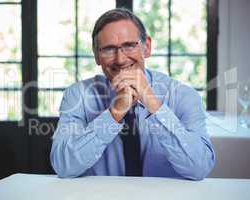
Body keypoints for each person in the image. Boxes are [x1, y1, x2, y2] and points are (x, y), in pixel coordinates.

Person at [50, 8, 215, 180]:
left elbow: (199, 168)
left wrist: (153, 104)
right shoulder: (78, 96)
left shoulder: (184, 96)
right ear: (97, 56)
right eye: (108, 49)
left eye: (129, 45)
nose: (120, 59)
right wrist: (114, 114)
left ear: (147, 47)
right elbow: (63, 166)